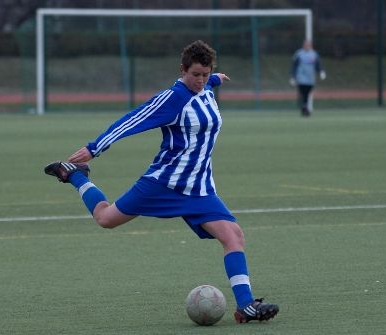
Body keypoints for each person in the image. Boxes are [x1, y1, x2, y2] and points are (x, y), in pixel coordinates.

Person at [44, 40, 279, 324]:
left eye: (206, 74)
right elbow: (132, 120)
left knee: (234, 236)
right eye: (195, 74)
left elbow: (207, 84)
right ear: (182, 70)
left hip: (199, 188)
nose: (200, 80)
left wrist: (215, 79)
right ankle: (74, 174)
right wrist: (95, 148)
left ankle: (246, 306)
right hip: (164, 183)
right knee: (105, 218)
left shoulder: (206, 88)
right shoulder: (172, 99)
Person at [289, 39, 326, 116]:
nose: (307, 46)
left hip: (310, 79)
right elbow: (294, 66)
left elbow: (317, 65)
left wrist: (321, 72)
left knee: (307, 94)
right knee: (303, 94)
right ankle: (305, 109)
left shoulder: (314, 54)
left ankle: (304, 109)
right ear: (303, 45)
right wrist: (292, 76)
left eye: (309, 45)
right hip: (301, 78)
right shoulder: (299, 54)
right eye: (306, 44)